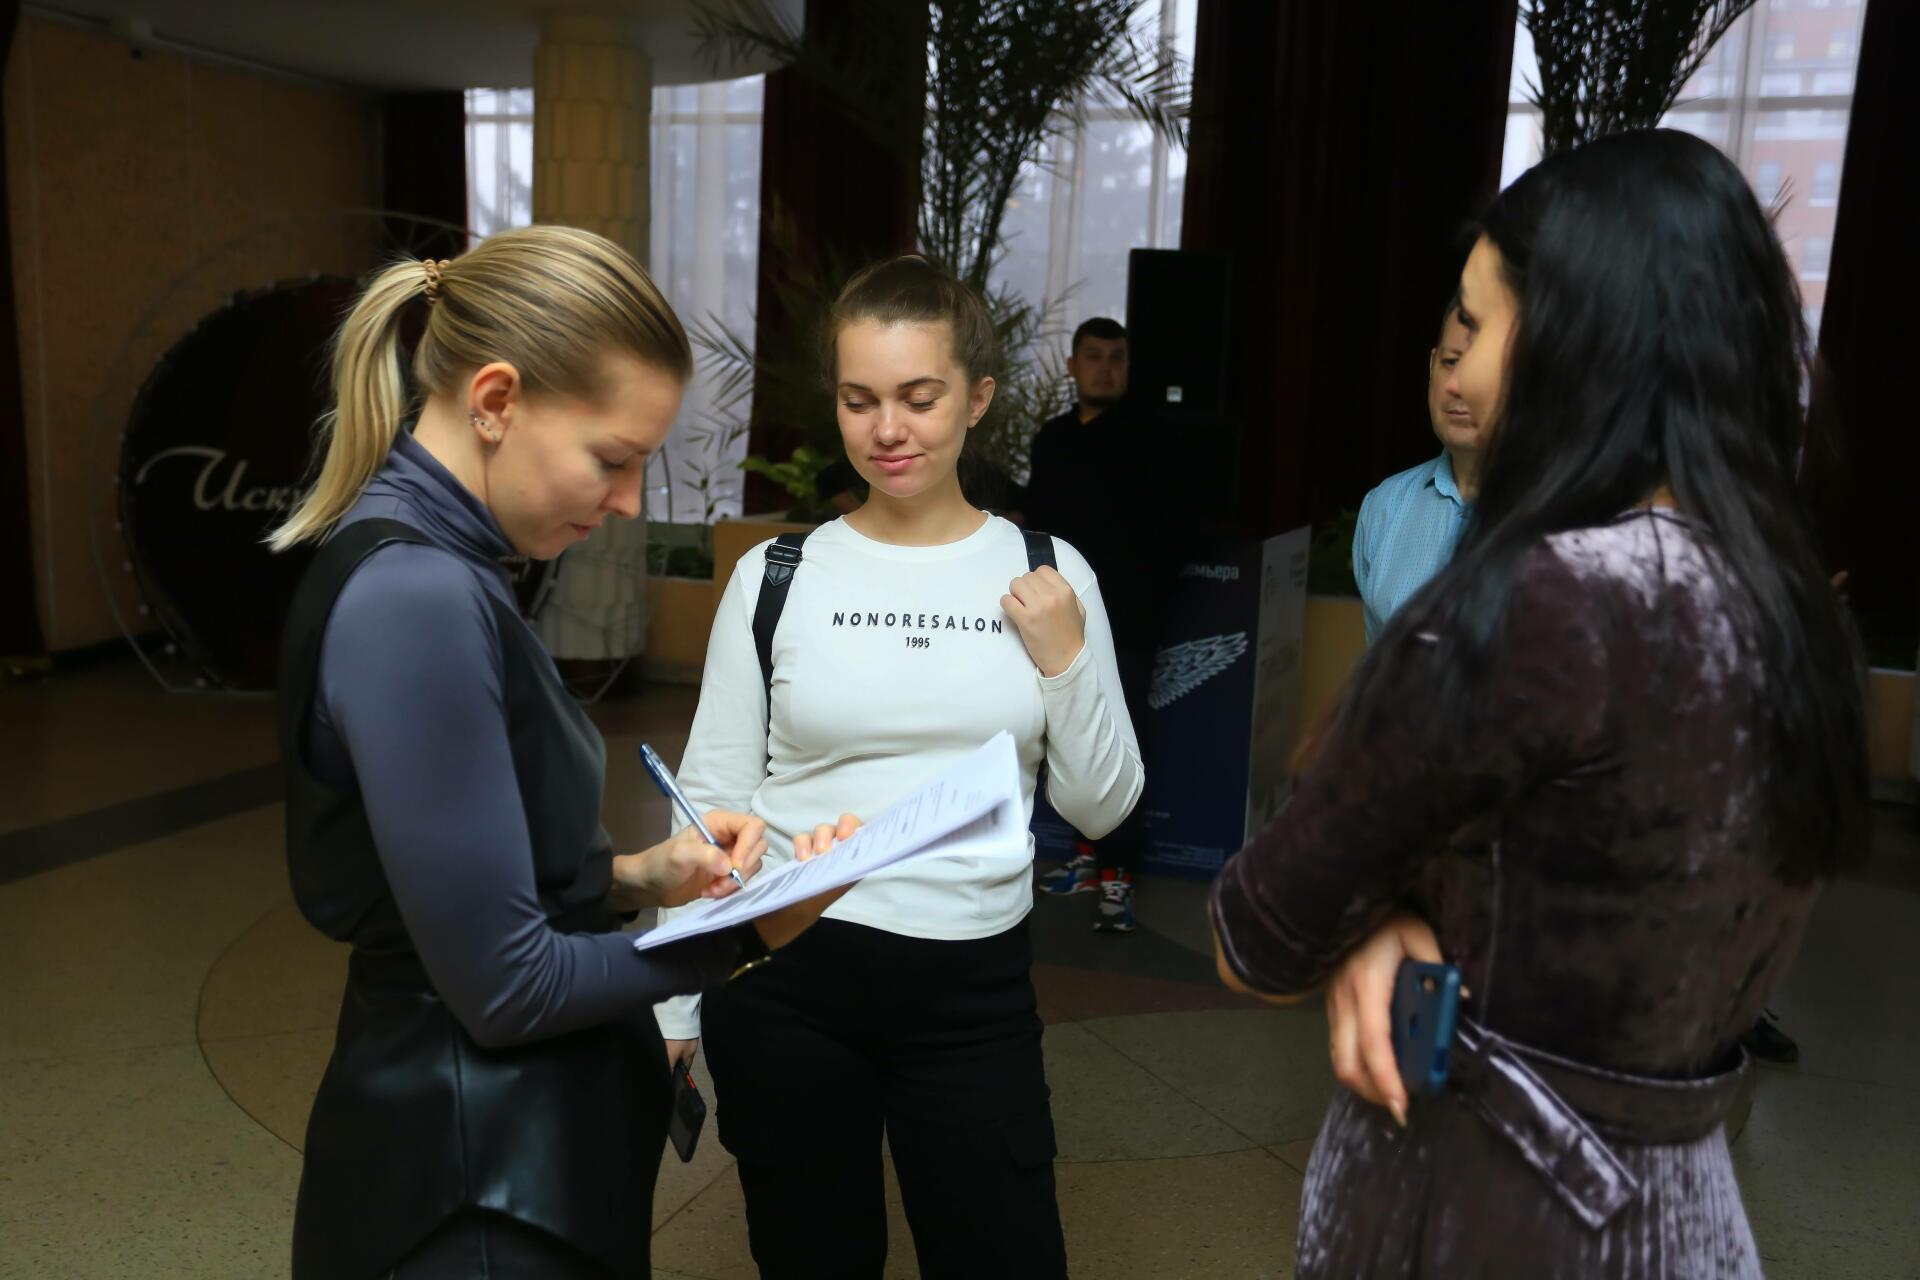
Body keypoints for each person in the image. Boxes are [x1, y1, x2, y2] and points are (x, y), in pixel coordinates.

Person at [1210, 129, 1869, 1276]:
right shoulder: (1795, 614)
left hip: (1488, 1214)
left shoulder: (1532, 605)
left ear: (1571, 341)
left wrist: (1370, 922)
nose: (1456, 373)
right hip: (1687, 1215)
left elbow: (1256, 934)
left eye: (1475, 327)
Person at [270, 226, 849, 1279]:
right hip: (476, 1191)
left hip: (494, 1158)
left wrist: (636, 875)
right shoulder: (417, 596)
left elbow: (449, 877)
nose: (626, 502)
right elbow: (508, 987)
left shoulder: (442, 565)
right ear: (495, 400)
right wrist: (748, 933)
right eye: (613, 460)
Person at [656, 255, 1144, 1278]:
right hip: (785, 980)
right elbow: (710, 798)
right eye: (859, 399)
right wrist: (674, 1000)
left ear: (978, 397)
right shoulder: (778, 575)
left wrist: (1063, 660)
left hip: (972, 993)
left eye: (920, 398)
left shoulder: (1049, 570)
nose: (888, 429)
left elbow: (1102, 805)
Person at [1026, 317, 1158, 929]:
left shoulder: (1150, 439)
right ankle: (1085, 859)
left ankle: (1117, 877)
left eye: (1117, 358)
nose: (1106, 369)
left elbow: (1169, 535)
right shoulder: (1052, 439)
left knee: (1120, 744)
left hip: (1127, 623)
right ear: (1072, 366)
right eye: (1095, 356)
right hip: (1055, 620)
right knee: (1064, 738)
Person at [1351, 301, 1482, 642]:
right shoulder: (1385, 507)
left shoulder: (1570, 519)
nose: (1460, 386)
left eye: (1486, 367)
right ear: (1431, 365)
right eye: (1451, 362)